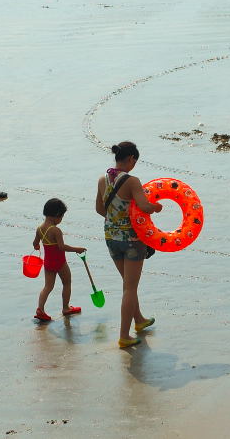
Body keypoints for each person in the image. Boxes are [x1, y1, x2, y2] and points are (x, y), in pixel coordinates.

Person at [95, 141, 162, 349]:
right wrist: (156, 207)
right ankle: (124, 335)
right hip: (132, 241)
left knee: (128, 285)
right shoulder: (132, 181)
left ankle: (139, 320)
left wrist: (117, 216)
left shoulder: (102, 179)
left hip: (111, 239)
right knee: (130, 288)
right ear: (131, 159)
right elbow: (144, 206)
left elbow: (99, 210)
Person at [32, 198, 86, 321]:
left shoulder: (39, 229)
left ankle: (40, 309)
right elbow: (61, 247)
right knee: (67, 283)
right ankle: (66, 308)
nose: (61, 220)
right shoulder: (56, 230)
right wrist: (77, 249)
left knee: (48, 286)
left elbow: (35, 243)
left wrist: (37, 245)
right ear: (57, 215)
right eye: (61, 217)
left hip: (48, 263)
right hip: (60, 262)